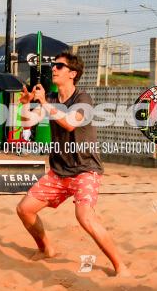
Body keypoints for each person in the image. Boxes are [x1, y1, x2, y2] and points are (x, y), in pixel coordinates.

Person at [16, 52, 129, 277]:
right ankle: (46, 249)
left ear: (73, 74)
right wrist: (27, 105)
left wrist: (45, 103)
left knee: (84, 216)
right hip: (59, 171)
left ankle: (120, 266)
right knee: (24, 209)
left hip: (85, 169)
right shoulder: (51, 99)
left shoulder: (83, 99)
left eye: (59, 65)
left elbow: (69, 123)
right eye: (53, 65)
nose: (54, 68)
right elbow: (28, 123)